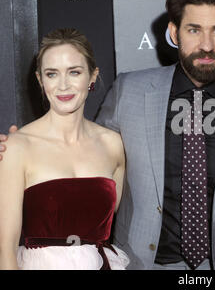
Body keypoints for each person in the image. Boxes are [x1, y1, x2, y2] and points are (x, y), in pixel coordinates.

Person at [0, 0, 215, 270]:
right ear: (174, 33)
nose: (206, 45)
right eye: (194, 30)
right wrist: (20, 149)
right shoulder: (129, 91)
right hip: (138, 263)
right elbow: (82, 155)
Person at [0, 28, 129, 269]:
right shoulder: (17, 147)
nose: (63, 85)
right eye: (52, 74)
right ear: (40, 80)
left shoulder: (113, 145)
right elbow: (4, 255)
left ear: (92, 76)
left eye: (74, 72)